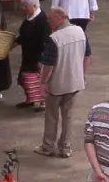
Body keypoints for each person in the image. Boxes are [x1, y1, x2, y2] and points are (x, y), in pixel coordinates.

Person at [33, 8, 87, 159]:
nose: (48, 22)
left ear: (58, 18)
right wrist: (83, 74)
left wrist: (43, 82)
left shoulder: (54, 38)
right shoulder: (80, 32)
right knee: (68, 116)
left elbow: (49, 64)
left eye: (50, 19)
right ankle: (65, 148)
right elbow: (87, 55)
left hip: (57, 84)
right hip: (75, 82)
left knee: (51, 116)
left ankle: (48, 147)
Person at [14, 0, 52, 111]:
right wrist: (14, 43)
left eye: (25, 6)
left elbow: (45, 41)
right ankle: (29, 99)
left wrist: (42, 58)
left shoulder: (42, 20)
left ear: (33, 5)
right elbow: (24, 34)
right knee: (24, 79)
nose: (23, 8)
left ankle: (43, 102)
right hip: (27, 53)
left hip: (37, 55)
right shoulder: (29, 18)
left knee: (37, 80)